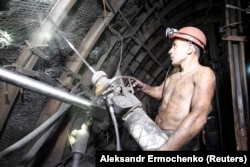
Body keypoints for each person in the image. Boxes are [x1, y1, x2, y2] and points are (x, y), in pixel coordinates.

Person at [133, 26, 216, 150]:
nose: (170, 51)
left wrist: (166, 149)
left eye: (175, 46)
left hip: (179, 140)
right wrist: (143, 86)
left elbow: (199, 116)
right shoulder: (174, 73)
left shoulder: (203, 73)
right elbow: (160, 92)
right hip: (157, 133)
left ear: (189, 49)